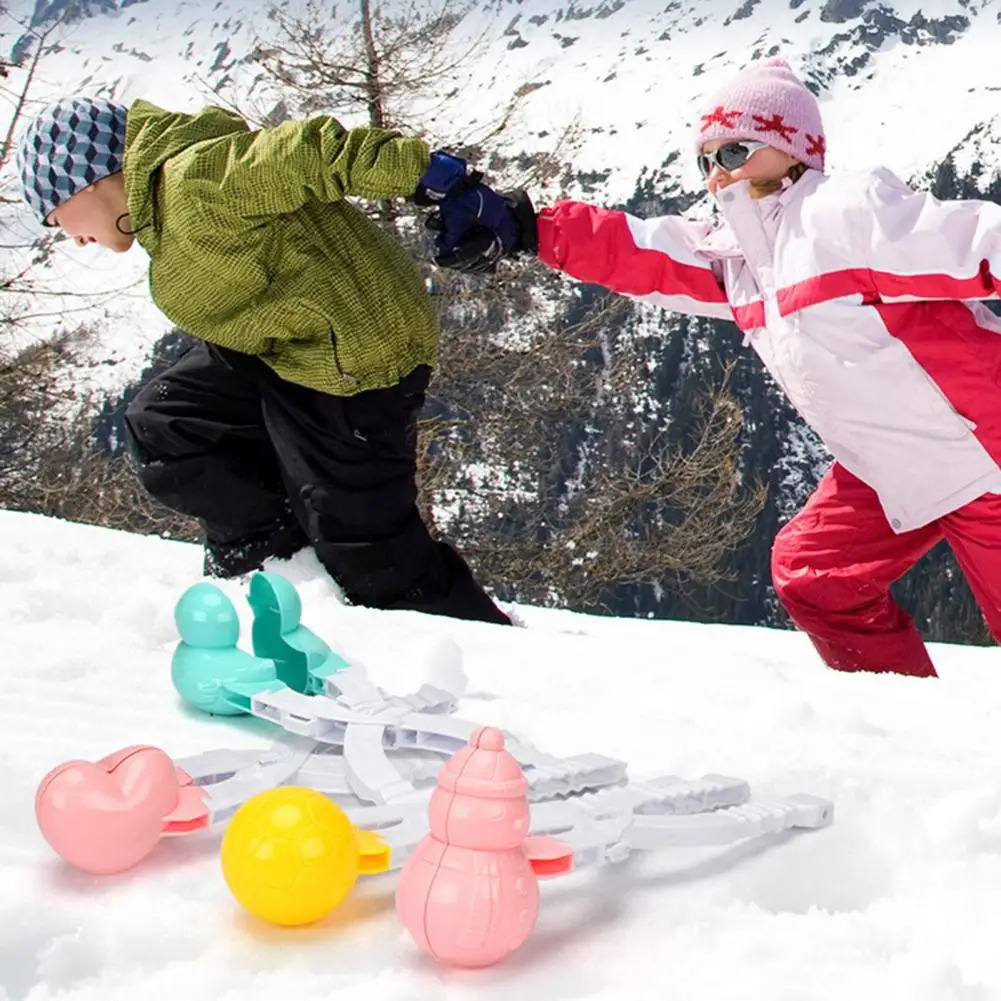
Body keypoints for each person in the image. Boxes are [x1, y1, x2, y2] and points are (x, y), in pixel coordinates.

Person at [429, 56, 1001, 677]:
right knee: (815, 574)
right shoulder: (742, 258)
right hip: (892, 461)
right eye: (706, 160)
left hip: (985, 454)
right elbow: (643, 253)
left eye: (734, 153)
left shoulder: (846, 215)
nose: (716, 175)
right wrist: (526, 227)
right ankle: (912, 726)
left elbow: (981, 241)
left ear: (791, 149)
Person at [15, 95, 517, 625]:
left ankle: (484, 672)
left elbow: (314, 153)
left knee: (371, 558)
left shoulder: (196, 181)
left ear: (88, 180)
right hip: (286, 347)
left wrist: (435, 178)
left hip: (353, 360)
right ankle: (280, 570)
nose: (71, 236)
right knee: (169, 425)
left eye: (55, 217)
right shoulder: (160, 202)